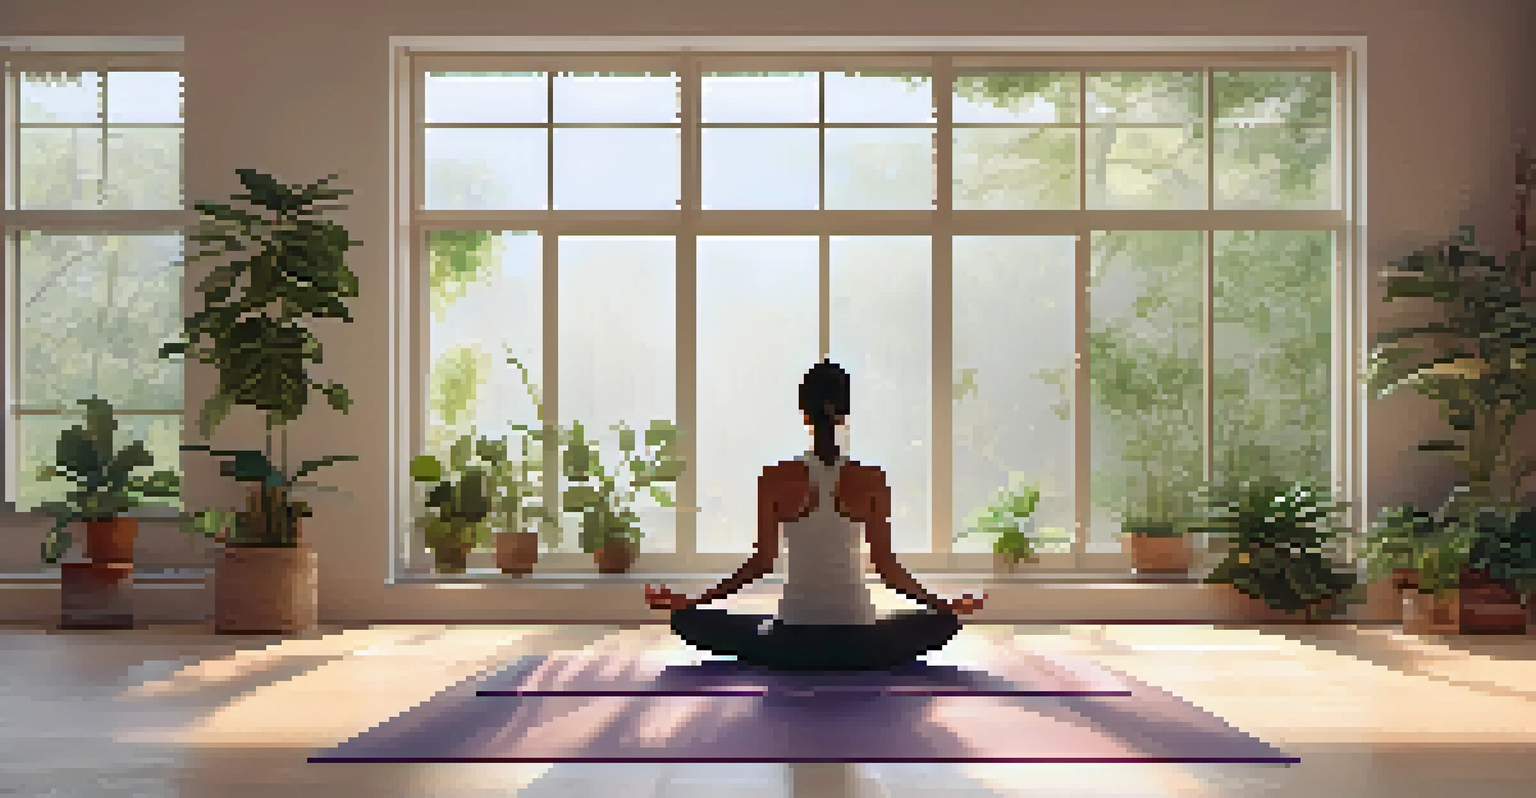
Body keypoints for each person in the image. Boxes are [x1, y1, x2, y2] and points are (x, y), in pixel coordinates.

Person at [645, 358, 984, 671]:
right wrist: (945, 604)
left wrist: (692, 601)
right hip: (861, 645)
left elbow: (762, 562)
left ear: (804, 413)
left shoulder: (776, 477)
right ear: (845, 414)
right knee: (944, 622)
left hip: (790, 644)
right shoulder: (871, 479)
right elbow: (887, 569)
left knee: (691, 621)